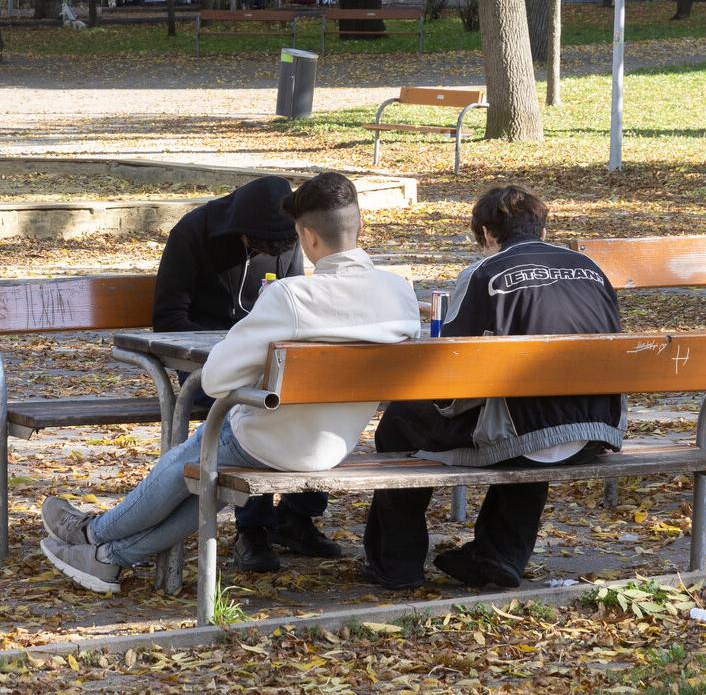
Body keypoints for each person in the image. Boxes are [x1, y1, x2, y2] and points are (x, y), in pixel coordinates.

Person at [39, 172, 421, 595]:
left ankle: (94, 535)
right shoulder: (400, 294)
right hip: (335, 444)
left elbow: (218, 378)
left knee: (198, 454)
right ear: (360, 228)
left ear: (308, 237)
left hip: (270, 440)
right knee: (208, 473)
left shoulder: (292, 298)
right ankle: (105, 558)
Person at [363, 184, 624, 591]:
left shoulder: (485, 272)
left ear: (487, 232)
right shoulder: (591, 269)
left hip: (528, 432)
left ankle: (397, 562)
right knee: (537, 421)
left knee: (400, 421)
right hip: (595, 429)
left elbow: (449, 370)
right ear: (540, 225)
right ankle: (498, 554)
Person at [153, 174, 332, 572]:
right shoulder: (194, 233)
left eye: (281, 245)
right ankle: (253, 530)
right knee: (251, 410)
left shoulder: (285, 238)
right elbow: (167, 319)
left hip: (264, 362)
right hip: (205, 365)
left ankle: (297, 516)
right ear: (240, 229)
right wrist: (235, 346)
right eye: (261, 244)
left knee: (317, 398)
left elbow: (294, 308)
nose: (271, 251)